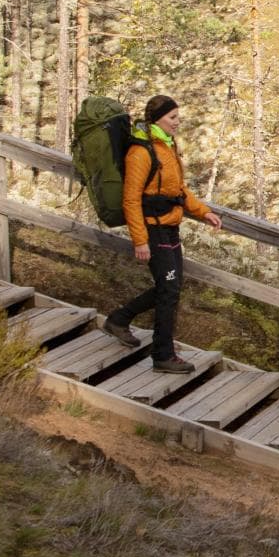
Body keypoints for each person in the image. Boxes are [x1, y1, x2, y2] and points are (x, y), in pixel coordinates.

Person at [104, 95, 209, 372]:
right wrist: (140, 240)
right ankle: (163, 355)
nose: (178, 122)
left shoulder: (167, 146)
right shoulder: (141, 152)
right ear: (157, 118)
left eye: (177, 116)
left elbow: (178, 190)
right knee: (169, 289)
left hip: (170, 228)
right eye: (172, 117)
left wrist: (203, 211)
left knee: (170, 287)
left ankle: (119, 318)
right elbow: (130, 199)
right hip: (153, 230)